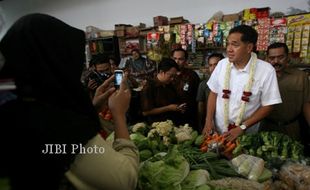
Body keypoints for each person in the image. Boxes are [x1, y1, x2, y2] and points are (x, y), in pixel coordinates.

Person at [0, 13, 138, 190]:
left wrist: (92, 109)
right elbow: (125, 180)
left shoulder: (16, 108)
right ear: (55, 60)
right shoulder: (54, 124)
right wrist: (119, 115)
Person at [202, 25, 282, 142]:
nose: (229, 49)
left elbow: (269, 105)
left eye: (235, 45)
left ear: (249, 47)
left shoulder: (266, 70)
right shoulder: (222, 65)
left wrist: (242, 127)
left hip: (246, 134)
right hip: (217, 131)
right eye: (228, 44)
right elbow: (213, 93)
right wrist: (208, 121)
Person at [260, 42, 310, 140]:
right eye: (272, 58)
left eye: (280, 57)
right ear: (267, 58)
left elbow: (306, 104)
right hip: (266, 126)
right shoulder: (260, 77)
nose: (276, 61)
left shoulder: (300, 77)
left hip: (292, 127)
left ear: (288, 57)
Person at [140, 58, 186, 126]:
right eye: (171, 76)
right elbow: (145, 112)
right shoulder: (149, 86)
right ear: (161, 72)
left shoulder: (170, 84)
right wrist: (168, 108)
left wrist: (179, 107)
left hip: (173, 123)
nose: (172, 79)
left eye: (174, 76)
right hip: (156, 126)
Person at [171, 48, 200, 129]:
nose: (177, 62)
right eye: (174, 59)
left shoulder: (192, 75)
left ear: (185, 60)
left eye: (180, 59)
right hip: (171, 115)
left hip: (189, 115)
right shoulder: (168, 75)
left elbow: (198, 97)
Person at [196, 53, 224, 132]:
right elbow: (200, 106)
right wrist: (205, 121)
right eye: (210, 65)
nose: (213, 68)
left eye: (216, 64)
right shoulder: (204, 84)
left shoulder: (230, 82)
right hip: (210, 121)